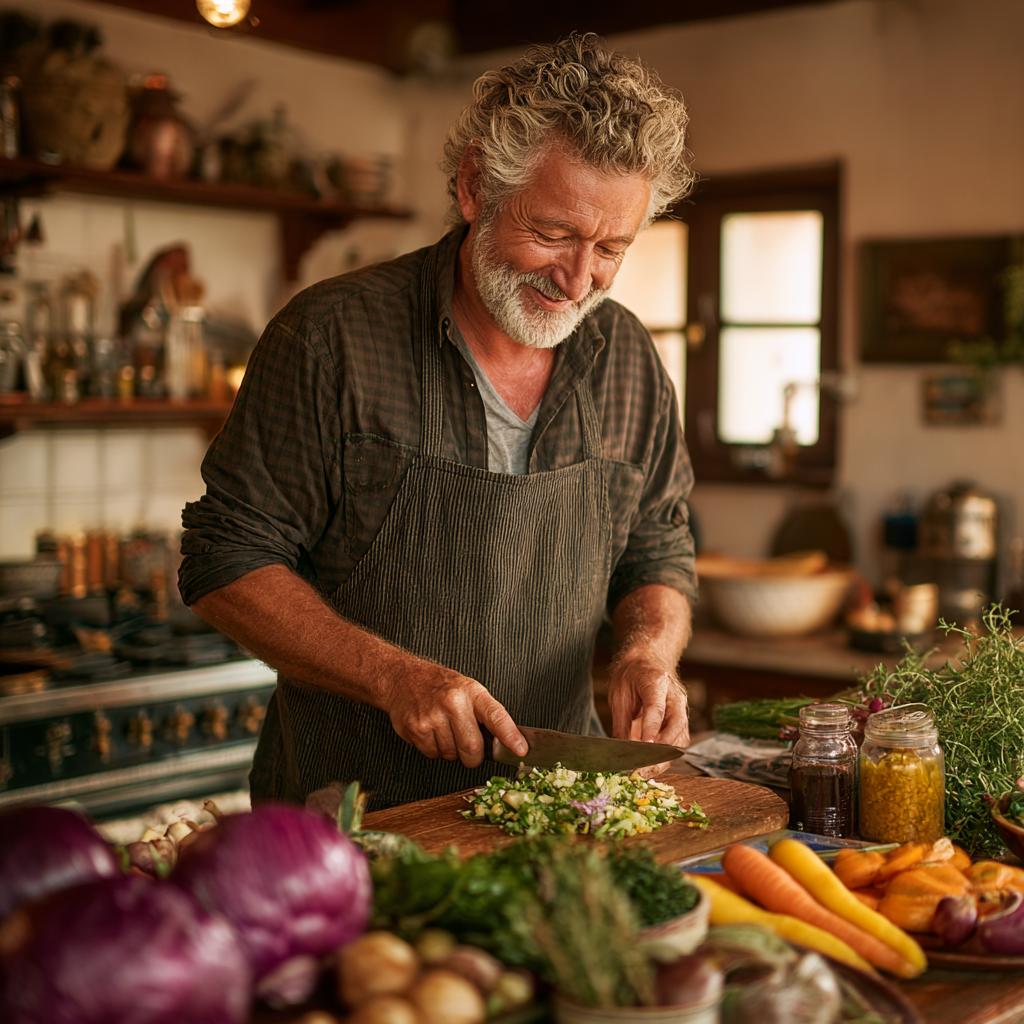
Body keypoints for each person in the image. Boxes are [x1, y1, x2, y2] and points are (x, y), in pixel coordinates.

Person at [179, 32, 699, 811]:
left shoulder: (627, 357)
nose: (578, 277)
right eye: (553, 233)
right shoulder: (330, 338)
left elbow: (657, 545)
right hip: (351, 818)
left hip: (559, 809)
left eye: (610, 247)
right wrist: (394, 676)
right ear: (472, 185)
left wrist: (647, 653)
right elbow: (225, 561)